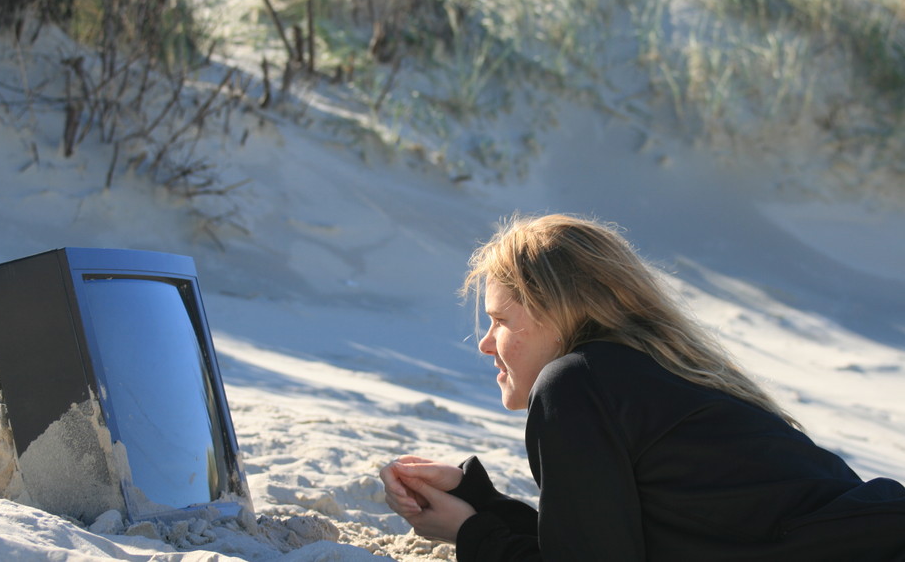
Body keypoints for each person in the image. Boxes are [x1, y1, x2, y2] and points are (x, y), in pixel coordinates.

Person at [380, 213, 905, 561]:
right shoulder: (659, 375)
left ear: (559, 313)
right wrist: (481, 505)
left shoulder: (575, 382)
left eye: (500, 321)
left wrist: (469, 533)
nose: (485, 344)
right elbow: (605, 544)